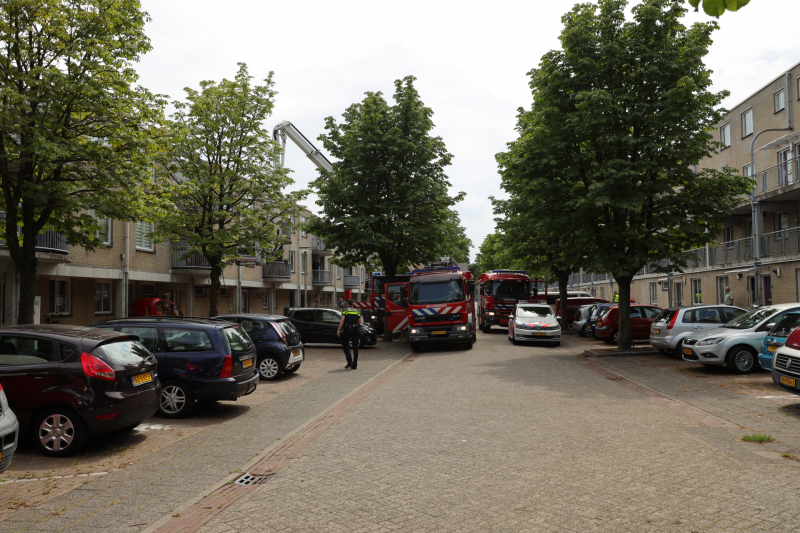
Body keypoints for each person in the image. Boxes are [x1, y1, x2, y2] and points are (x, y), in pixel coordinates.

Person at [337, 299, 362, 369]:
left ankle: (350, 361)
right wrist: (355, 325)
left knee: (345, 345)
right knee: (355, 347)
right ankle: (355, 364)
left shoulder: (345, 310)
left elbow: (342, 320)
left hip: (347, 329)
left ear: (347, 304)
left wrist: (339, 329)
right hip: (355, 329)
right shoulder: (357, 311)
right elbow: (359, 322)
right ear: (352, 304)